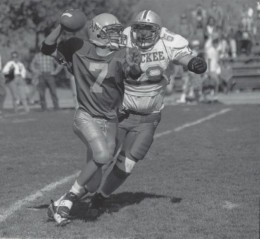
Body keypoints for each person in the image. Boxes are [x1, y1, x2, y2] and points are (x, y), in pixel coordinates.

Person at [88, 10, 207, 211]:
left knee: (130, 160)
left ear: (158, 31)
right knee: (104, 154)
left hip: (149, 116)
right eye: (138, 29)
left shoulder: (169, 40)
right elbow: (99, 50)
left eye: (147, 30)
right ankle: (76, 193)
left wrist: (193, 63)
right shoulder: (122, 37)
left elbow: (184, 56)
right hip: (121, 110)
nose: (142, 35)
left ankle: (101, 195)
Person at [43, 11, 142, 225]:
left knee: (93, 184)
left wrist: (135, 65)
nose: (117, 36)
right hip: (85, 115)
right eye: (112, 32)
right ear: (98, 33)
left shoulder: (123, 54)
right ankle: (68, 202)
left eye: (117, 32)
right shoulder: (78, 46)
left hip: (110, 120)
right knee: (104, 155)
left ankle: (59, 204)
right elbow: (47, 48)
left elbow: (134, 75)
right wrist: (62, 25)